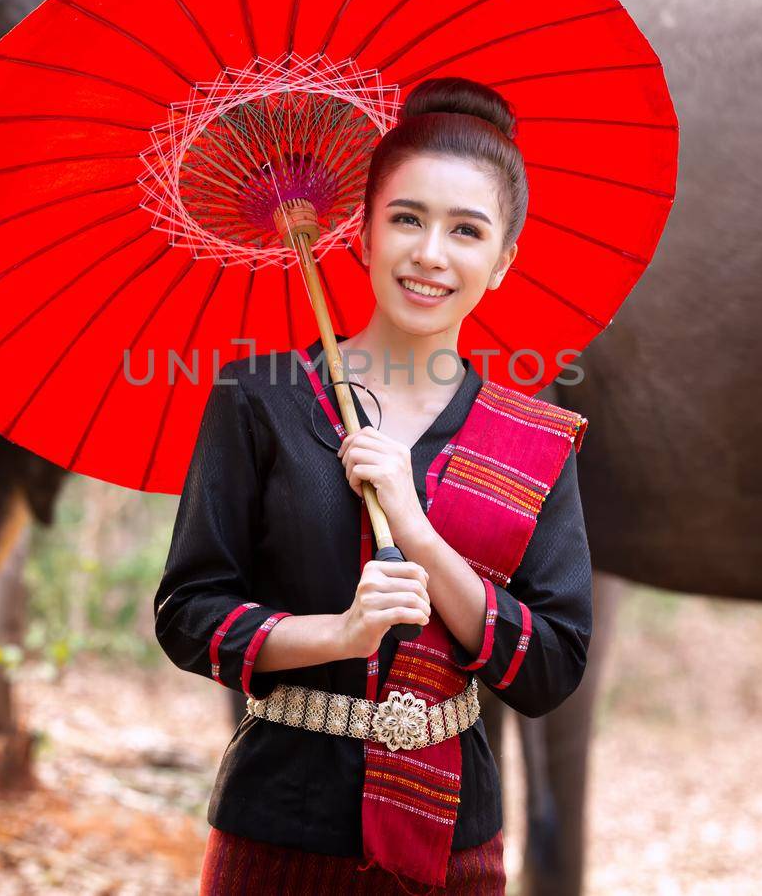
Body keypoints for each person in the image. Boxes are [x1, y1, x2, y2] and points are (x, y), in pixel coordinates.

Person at [154, 76, 593, 894]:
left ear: (503, 262)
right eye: (407, 218)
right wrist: (339, 633)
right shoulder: (261, 399)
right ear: (360, 233)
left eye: (467, 230)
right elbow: (187, 614)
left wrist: (421, 536)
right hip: (274, 832)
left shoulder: (532, 440)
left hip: (452, 847)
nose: (431, 253)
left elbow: (552, 667)